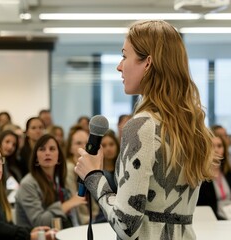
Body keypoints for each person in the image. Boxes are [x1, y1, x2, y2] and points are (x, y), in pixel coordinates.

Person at [74, 20, 215, 239]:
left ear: (147, 63)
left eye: (124, 56)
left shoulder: (142, 126)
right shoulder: (192, 126)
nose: (119, 66)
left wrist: (93, 177)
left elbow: (126, 225)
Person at [15, 134, 86, 229]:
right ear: (36, 157)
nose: (47, 153)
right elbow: (39, 222)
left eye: (52, 149)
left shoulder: (58, 180)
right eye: (42, 149)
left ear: (59, 158)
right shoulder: (27, 184)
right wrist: (68, 204)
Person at [197, 134, 231, 220]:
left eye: (219, 146)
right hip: (213, 219)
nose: (216, 150)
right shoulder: (201, 176)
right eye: (212, 146)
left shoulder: (228, 172)